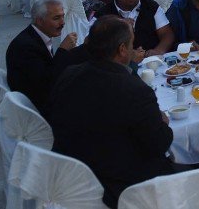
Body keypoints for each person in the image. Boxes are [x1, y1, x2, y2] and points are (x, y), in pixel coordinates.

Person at [47, 16, 173, 208]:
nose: (133, 48)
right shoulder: (135, 90)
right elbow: (159, 143)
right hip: (116, 189)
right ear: (122, 49)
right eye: (131, 43)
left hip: (69, 177)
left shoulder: (68, 74)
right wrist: (163, 122)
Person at [5, 0, 78, 115]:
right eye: (56, 18)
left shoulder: (38, 36)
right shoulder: (25, 48)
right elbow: (46, 82)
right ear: (39, 21)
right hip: (35, 109)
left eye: (62, 16)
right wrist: (63, 50)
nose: (62, 22)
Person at [97, 0, 174, 59]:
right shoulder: (103, 14)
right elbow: (90, 44)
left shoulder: (151, 7)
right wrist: (116, 27)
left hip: (150, 63)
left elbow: (167, 34)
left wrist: (158, 51)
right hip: (117, 66)